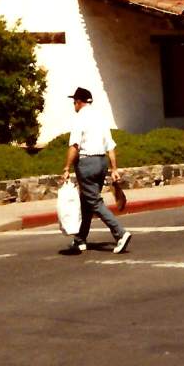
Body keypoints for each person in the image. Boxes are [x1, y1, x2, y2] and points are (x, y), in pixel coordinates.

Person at [60, 87, 130, 255]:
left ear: (78, 102)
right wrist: (114, 168)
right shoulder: (100, 118)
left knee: (94, 202)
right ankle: (80, 239)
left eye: (74, 102)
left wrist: (66, 167)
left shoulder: (79, 119)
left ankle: (120, 233)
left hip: (86, 163)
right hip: (101, 162)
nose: (73, 105)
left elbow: (75, 146)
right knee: (87, 201)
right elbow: (110, 146)